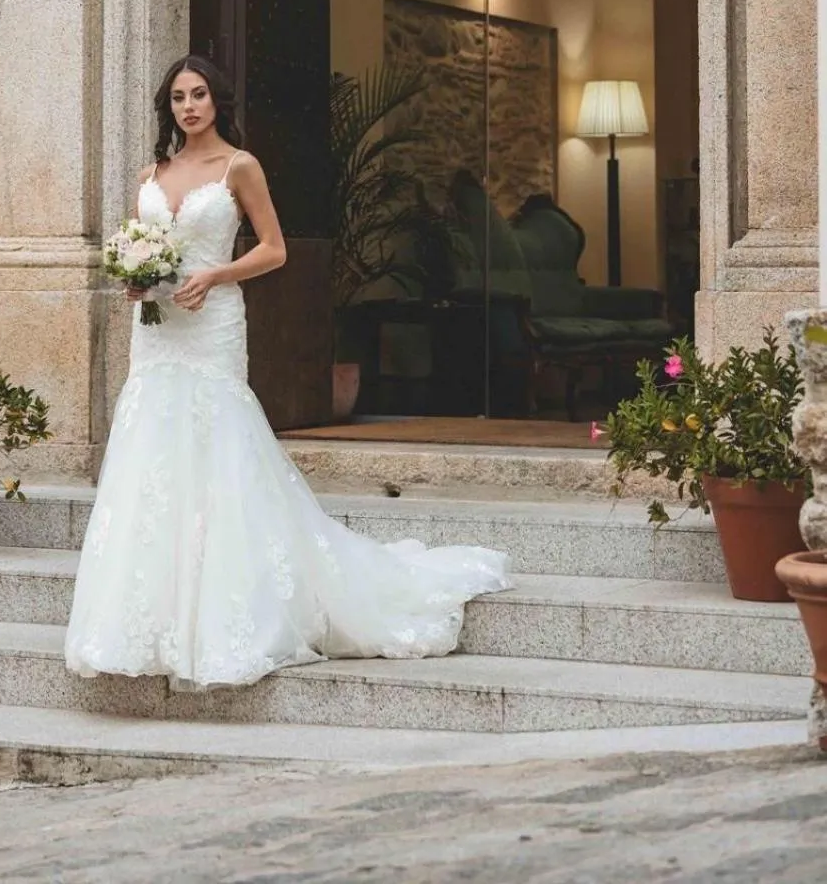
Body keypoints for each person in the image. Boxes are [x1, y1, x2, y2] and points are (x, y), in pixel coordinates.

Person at [64, 55, 511, 689]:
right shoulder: (150, 175)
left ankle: (227, 614)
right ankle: (145, 620)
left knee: (221, 445)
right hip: (158, 334)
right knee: (154, 453)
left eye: (199, 95)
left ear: (218, 101)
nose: (189, 107)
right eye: (178, 98)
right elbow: (141, 252)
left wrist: (216, 274)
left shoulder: (239, 167)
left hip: (213, 323)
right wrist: (138, 282)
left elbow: (274, 250)